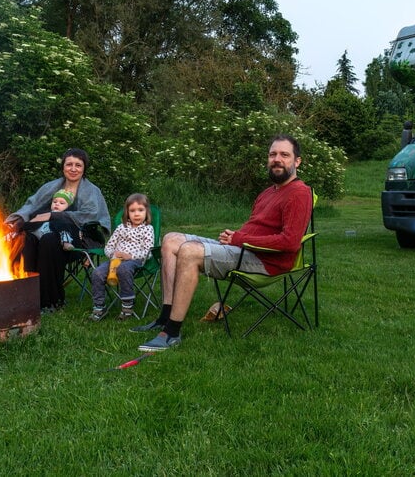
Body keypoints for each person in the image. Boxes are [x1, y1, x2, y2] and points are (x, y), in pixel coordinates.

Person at [132, 135, 313, 351]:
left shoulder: (299, 193)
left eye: (284, 155)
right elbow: (258, 228)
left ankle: (171, 333)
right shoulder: (267, 193)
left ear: (297, 161)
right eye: (273, 154)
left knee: (189, 251)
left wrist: (240, 238)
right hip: (243, 249)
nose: (277, 159)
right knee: (171, 240)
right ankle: (164, 317)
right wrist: (236, 236)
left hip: (266, 263)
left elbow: (290, 242)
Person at [5, 148, 111, 312]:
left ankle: (51, 301)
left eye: (78, 165)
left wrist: (52, 216)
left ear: (84, 168)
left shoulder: (91, 191)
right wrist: (16, 221)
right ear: (63, 167)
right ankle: (26, 295)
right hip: (46, 231)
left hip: (77, 238)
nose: (73, 169)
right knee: (26, 239)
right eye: (69, 164)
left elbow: (90, 216)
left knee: (49, 241)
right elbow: (31, 206)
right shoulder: (51, 186)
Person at [89, 193, 156, 322]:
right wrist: (113, 255)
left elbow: (148, 251)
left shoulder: (148, 229)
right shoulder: (121, 228)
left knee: (124, 269)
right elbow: (108, 246)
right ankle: (99, 307)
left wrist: (130, 256)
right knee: (97, 273)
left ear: (146, 212)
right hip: (115, 260)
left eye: (140, 210)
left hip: (134, 261)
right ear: (127, 213)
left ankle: (127, 307)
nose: (137, 214)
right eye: (132, 211)